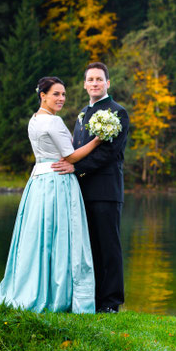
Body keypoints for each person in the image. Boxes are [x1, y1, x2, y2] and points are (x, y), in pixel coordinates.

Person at [0, 77, 101, 313]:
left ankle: (34, 286)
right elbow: (70, 156)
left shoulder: (34, 119)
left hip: (38, 181)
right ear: (43, 95)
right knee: (60, 237)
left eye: (63, 94)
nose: (61, 98)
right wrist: (97, 140)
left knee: (38, 237)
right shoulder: (53, 121)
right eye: (56, 94)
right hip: (56, 182)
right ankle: (57, 294)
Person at [51, 62, 129, 314]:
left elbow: (109, 153)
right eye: (90, 79)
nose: (94, 83)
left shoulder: (118, 113)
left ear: (108, 83)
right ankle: (92, 300)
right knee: (88, 247)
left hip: (106, 191)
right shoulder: (83, 113)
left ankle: (111, 302)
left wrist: (77, 168)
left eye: (99, 79)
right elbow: (75, 148)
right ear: (85, 84)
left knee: (108, 247)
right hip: (82, 191)